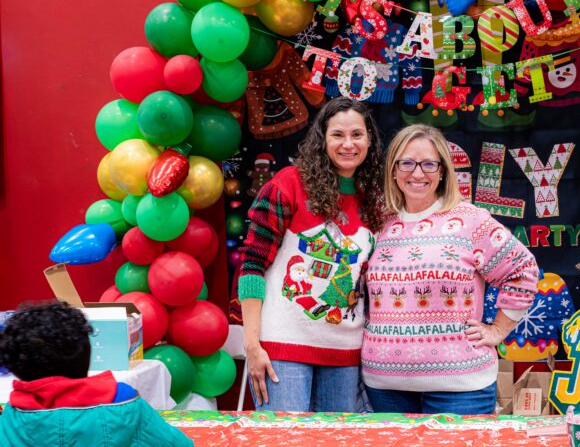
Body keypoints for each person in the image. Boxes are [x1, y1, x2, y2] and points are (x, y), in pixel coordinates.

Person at [362, 124, 540, 415]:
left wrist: (498, 330)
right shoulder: (377, 222)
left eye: (428, 164)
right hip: (385, 386)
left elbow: (523, 269)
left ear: (443, 171)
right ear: (393, 170)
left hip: (461, 387)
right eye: (407, 163)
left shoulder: (470, 221)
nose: (417, 173)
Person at [238, 97, 385, 411]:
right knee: (284, 436)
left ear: (370, 140)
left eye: (357, 135)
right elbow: (252, 265)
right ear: (322, 139)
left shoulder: (374, 200)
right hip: (283, 348)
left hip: (345, 353)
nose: (348, 144)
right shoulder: (288, 184)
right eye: (338, 135)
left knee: (337, 437)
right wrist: (252, 344)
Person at [0, 301, 192, 446]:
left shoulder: (11, 417)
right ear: (86, 354)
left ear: (17, 369)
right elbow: (179, 444)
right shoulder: (123, 400)